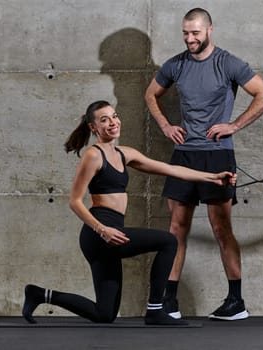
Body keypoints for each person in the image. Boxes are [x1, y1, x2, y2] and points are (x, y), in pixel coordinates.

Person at [22, 100, 237, 325]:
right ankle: (155, 310)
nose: (113, 122)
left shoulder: (125, 154)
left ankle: (40, 294)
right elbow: (75, 201)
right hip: (99, 233)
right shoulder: (93, 156)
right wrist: (102, 229)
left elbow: (171, 169)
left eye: (114, 116)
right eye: (104, 120)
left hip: (111, 233)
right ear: (93, 127)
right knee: (168, 241)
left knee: (104, 314)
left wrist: (212, 177)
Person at [144, 8, 263, 321]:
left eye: (196, 33)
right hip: (185, 155)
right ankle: (170, 302)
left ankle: (235, 302)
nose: (190, 39)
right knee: (176, 227)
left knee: (221, 228)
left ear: (209, 30)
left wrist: (234, 125)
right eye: (186, 33)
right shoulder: (176, 64)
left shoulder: (228, 62)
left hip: (217, 154)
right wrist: (165, 125)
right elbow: (151, 94)